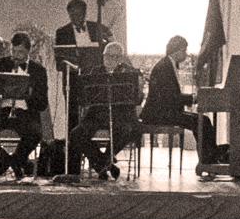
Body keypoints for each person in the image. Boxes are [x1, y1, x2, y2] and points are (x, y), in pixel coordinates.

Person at [0, 32, 50, 180]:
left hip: (25, 113)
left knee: (35, 134)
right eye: (14, 51)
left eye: (20, 51)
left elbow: (42, 104)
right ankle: (12, 162)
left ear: (28, 51)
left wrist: (29, 94)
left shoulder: (38, 71)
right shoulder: (1, 64)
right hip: (2, 111)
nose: (16, 55)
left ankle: (8, 163)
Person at [140, 35, 223, 173]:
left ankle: (209, 159)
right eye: (184, 51)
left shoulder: (167, 64)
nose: (185, 54)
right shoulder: (164, 67)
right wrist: (192, 99)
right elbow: (169, 97)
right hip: (159, 114)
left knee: (203, 120)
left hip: (165, 111)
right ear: (176, 51)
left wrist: (191, 98)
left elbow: (170, 96)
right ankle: (208, 160)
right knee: (201, 122)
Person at [65, 41, 143, 178]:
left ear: (120, 59)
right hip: (97, 115)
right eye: (107, 56)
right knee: (76, 135)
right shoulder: (95, 72)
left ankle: (103, 162)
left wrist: (140, 89)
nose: (109, 59)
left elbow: (137, 99)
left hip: (121, 116)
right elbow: (84, 98)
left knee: (127, 130)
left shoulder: (129, 73)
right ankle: (104, 163)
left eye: (114, 57)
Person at [54, 0, 113, 132]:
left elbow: (105, 50)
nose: (76, 17)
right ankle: (73, 148)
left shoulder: (96, 28)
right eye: (72, 14)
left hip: (94, 79)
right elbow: (60, 60)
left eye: (79, 14)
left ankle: (90, 144)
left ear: (85, 13)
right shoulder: (62, 32)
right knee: (72, 115)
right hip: (73, 79)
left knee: (94, 114)